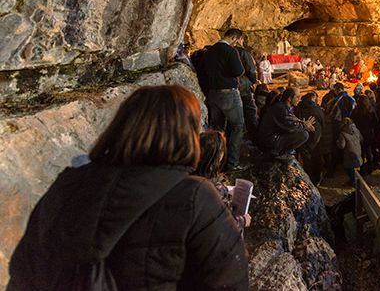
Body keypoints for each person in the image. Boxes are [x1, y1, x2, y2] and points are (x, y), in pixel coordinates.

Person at [9, 86, 249, 290]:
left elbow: (25, 267)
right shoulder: (194, 197)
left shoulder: (67, 186)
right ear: (186, 134)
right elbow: (229, 281)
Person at [204, 28, 246, 171]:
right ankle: (232, 163)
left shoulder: (210, 51)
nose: (236, 44)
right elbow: (239, 71)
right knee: (237, 126)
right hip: (228, 93)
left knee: (217, 128)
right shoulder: (230, 51)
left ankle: (215, 162)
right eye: (237, 41)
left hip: (212, 93)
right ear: (234, 38)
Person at [195, 130, 252, 232]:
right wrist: (243, 220)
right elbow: (222, 224)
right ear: (215, 157)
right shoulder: (212, 190)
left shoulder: (190, 176)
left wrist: (224, 189)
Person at [256, 87, 315, 159]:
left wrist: (303, 123)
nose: (299, 99)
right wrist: (305, 125)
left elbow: (292, 120)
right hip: (268, 141)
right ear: (289, 98)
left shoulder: (282, 106)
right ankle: (278, 153)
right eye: (297, 97)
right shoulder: (281, 109)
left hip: (271, 138)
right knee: (304, 134)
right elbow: (292, 126)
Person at [295, 92, 325, 184]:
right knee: (316, 158)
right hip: (316, 137)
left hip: (303, 137)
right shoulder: (316, 109)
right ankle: (316, 178)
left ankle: (309, 179)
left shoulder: (298, 108)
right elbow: (322, 121)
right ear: (313, 98)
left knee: (306, 160)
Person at [235, 41, 259, 142]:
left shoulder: (221, 51)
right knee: (250, 111)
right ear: (238, 39)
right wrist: (254, 80)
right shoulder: (242, 52)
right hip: (244, 87)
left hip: (231, 87)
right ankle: (254, 137)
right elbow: (251, 69)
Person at [352, 94, 379, 174]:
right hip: (369, 133)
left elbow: (352, 121)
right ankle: (370, 167)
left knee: (361, 152)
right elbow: (376, 121)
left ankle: (362, 168)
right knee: (368, 150)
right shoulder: (371, 110)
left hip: (359, 133)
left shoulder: (356, 111)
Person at [337, 117, 363, 185]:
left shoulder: (342, 133)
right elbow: (361, 139)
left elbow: (342, 146)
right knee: (353, 167)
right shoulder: (356, 129)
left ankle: (352, 181)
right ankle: (354, 179)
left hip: (349, 154)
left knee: (349, 168)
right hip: (358, 151)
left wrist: (337, 142)